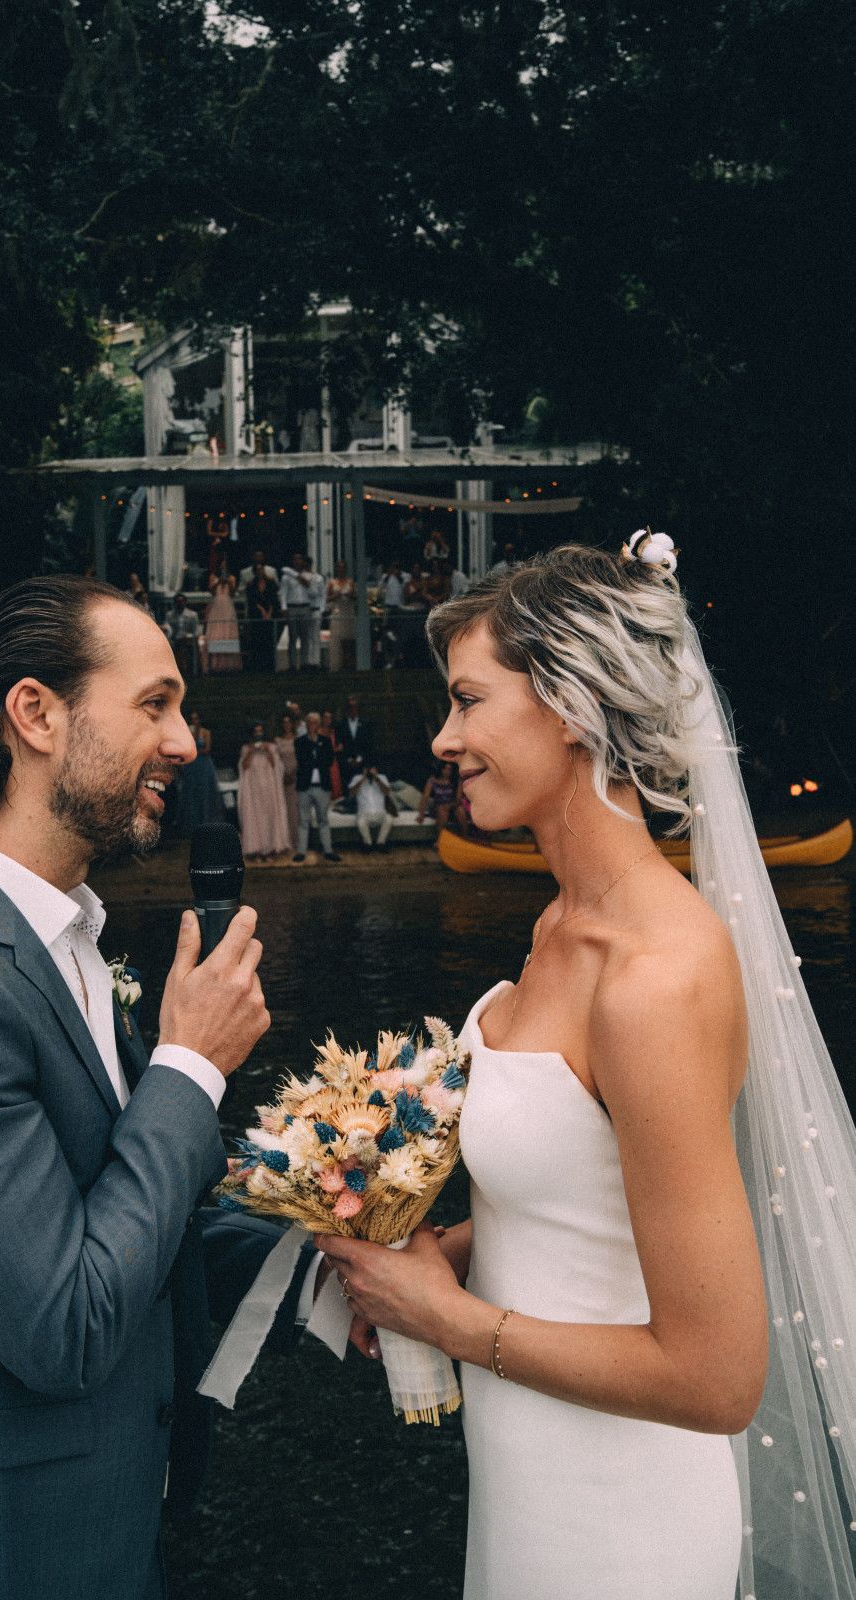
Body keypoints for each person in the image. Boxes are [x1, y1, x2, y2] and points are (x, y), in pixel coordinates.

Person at [0, 576, 319, 1600]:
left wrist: (332, 1270)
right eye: (153, 704)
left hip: (108, 1521)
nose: (185, 741)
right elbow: (64, 1317)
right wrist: (186, 1065)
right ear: (35, 713)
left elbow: (123, 1213)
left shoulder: (65, 936)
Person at [319, 541, 805, 1600]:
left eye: (466, 700)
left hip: (619, 1519)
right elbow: (584, 1209)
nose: (444, 739)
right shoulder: (555, 928)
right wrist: (432, 1254)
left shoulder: (653, 977)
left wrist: (443, 1319)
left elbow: (719, 1377)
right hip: (527, 1477)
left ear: (571, 708)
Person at [292, 713, 341, 863]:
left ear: (318, 725)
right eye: (310, 722)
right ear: (306, 724)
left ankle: (328, 850)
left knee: (323, 820)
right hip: (305, 786)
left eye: (315, 723)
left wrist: (315, 756)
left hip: (322, 786)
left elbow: (329, 760)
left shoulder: (325, 741)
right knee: (304, 820)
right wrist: (315, 754)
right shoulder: (299, 741)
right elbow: (302, 759)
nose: (312, 725)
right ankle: (301, 851)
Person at [237, 722, 290, 858]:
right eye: (256, 731)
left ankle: (271, 848)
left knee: (269, 818)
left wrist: (268, 751)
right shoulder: (246, 748)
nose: (258, 734)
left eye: (260, 731)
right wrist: (251, 752)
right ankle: (257, 849)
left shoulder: (271, 747)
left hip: (269, 790)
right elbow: (243, 767)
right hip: (253, 792)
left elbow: (276, 766)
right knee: (255, 818)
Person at [175, 709, 225, 833]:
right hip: (191, 765)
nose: (194, 721)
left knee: (205, 792)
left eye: (196, 718)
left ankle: (207, 823)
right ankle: (192, 826)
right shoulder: (186, 731)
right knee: (191, 792)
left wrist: (196, 743)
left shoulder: (206, 732)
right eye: (192, 719)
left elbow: (207, 749)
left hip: (203, 765)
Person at [279, 553, 315, 672]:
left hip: (305, 607)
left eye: (300, 559)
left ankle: (304, 663)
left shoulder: (308, 575)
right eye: (295, 559)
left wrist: (293, 574)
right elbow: (283, 593)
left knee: (305, 637)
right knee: (292, 637)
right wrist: (283, 607)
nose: (297, 561)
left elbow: (307, 584)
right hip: (292, 607)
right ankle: (293, 665)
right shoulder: (286, 577)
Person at [349, 764, 395, 851]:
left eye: (371, 768)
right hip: (364, 812)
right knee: (360, 822)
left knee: (389, 818)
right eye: (367, 769)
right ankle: (368, 844)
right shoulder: (357, 778)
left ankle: (381, 843)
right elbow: (351, 793)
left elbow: (387, 792)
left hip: (380, 812)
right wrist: (362, 778)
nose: (370, 771)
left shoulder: (382, 777)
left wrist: (377, 779)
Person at [244, 561, 280, 673]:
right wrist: (261, 610)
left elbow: (274, 599)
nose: (261, 572)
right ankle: (257, 666)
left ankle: (269, 666)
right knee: (257, 641)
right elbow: (252, 600)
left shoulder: (271, 583)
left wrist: (269, 612)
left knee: (269, 641)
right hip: (256, 616)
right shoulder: (251, 585)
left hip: (269, 616)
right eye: (258, 570)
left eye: (262, 570)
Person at [204, 567, 242, 672]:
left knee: (228, 631)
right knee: (216, 632)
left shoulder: (232, 578)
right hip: (217, 605)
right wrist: (218, 582)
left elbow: (233, 593)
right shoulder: (213, 577)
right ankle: (214, 664)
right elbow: (211, 591)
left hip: (228, 605)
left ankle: (229, 664)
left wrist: (229, 583)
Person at [335, 694, 374, 789]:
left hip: (362, 765)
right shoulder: (340, 724)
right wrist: (349, 760)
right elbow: (339, 744)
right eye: (350, 707)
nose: (352, 709)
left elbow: (369, 744)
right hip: (346, 766)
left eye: (354, 706)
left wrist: (359, 759)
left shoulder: (366, 723)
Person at [274, 712, 300, 844]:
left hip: (295, 777)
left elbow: (301, 758)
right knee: (282, 809)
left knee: (294, 810)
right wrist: (283, 774)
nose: (286, 725)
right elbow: (275, 759)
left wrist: (293, 773)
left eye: (288, 722)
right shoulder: (277, 740)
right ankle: (284, 841)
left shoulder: (298, 739)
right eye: (284, 722)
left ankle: (295, 840)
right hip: (281, 777)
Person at [326, 559, 356, 670]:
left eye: (343, 567)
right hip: (337, 612)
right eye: (339, 567)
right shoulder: (331, 583)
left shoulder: (350, 582)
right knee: (336, 641)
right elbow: (327, 599)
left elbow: (355, 597)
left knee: (349, 640)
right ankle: (335, 666)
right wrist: (335, 596)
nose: (341, 569)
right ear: (336, 569)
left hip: (348, 612)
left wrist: (349, 595)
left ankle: (349, 665)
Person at [164, 592, 201, 680]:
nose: (180, 603)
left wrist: (190, 636)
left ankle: (186, 670)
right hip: (174, 639)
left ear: (185, 602)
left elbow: (196, 629)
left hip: (187, 639)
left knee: (183, 645)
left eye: (181, 601)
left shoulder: (192, 615)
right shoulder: (170, 615)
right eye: (178, 601)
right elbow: (167, 626)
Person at [417, 758, 459, 828]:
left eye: (449, 769)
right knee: (442, 811)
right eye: (444, 769)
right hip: (437, 805)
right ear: (440, 769)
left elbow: (458, 799)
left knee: (460, 811)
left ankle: (464, 836)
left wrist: (449, 806)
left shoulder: (453, 781)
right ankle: (441, 836)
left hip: (451, 805)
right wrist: (421, 814)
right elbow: (425, 797)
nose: (447, 771)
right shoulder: (432, 780)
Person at [303, 555, 326, 669]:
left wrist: (321, 610)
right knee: (306, 637)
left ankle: (315, 662)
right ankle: (307, 662)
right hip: (305, 609)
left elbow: (322, 594)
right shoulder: (301, 577)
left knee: (315, 637)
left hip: (316, 609)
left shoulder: (319, 578)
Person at [318, 709, 344, 800]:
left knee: (335, 787)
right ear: (322, 718)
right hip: (320, 764)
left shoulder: (334, 732)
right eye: (325, 717)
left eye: (329, 718)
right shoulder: (317, 732)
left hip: (333, 763)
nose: (327, 720)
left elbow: (341, 747)